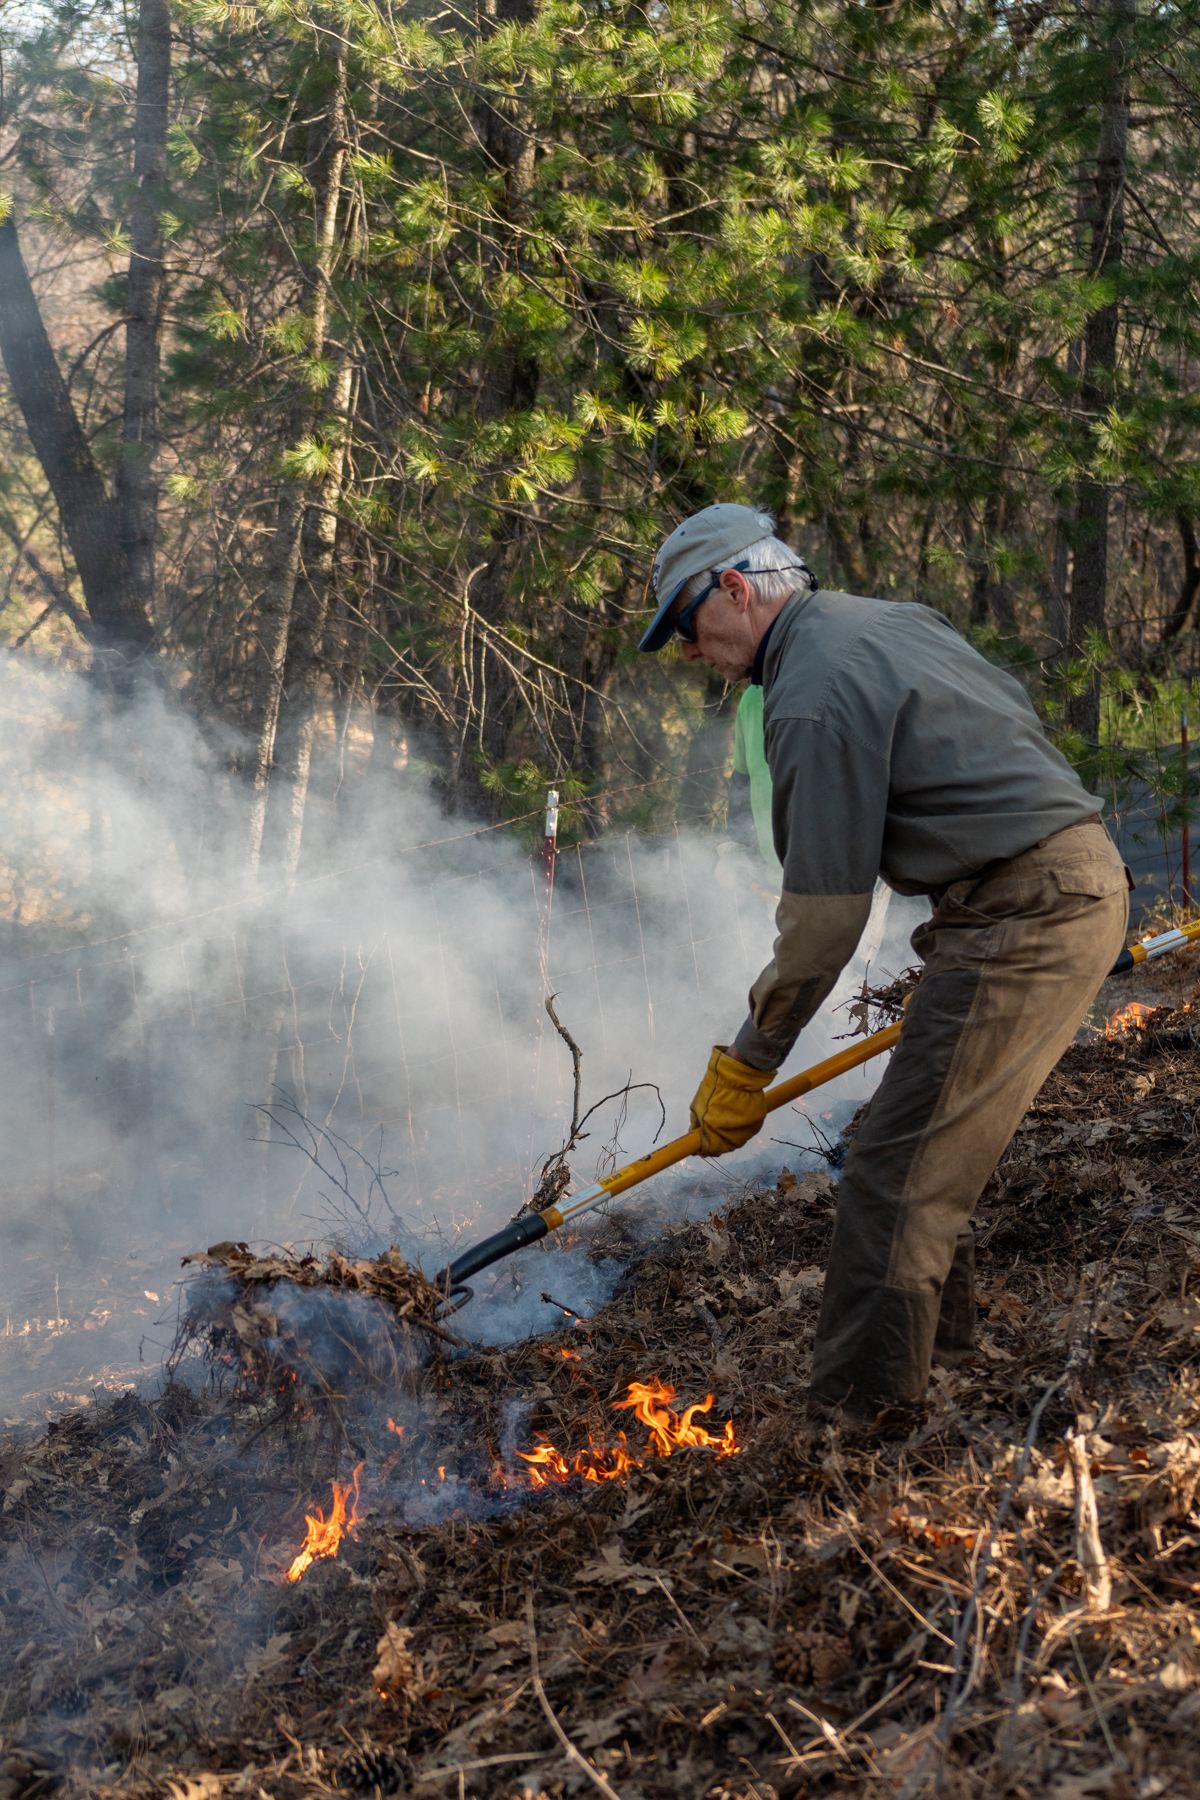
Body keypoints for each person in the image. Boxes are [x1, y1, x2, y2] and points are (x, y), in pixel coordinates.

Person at [640, 502, 1129, 1428]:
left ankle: (860, 1430)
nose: (692, 652)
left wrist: (748, 1062)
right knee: (919, 1148)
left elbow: (824, 919)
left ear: (736, 589)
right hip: (1044, 890)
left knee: (892, 1176)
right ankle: (947, 1379)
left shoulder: (806, 693)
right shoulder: (888, 620)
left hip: (1028, 911)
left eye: (687, 628)